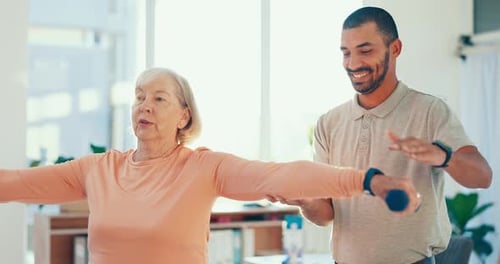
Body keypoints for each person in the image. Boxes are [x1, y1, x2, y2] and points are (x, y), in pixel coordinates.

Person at [0, 67, 420, 264]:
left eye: (159, 99)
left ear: (183, 115)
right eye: (139, 96)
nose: (144, 105)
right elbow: (16, 183)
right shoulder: (97, 170)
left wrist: (367, 180)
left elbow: (280, 173)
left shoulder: (203, 169)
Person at [267, 6, 492, 264]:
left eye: (365, 51)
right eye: (346, 53)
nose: (353, 63)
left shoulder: (430, 111)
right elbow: (326, 214)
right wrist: (305, 201)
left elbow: (482, 176)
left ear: (394, 48)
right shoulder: (329, 123)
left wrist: (443, 155)